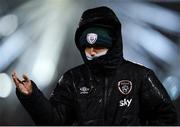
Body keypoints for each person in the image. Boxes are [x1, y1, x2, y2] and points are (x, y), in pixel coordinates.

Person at [12, 6, 177, 125]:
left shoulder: (141, 76)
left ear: (113, 43)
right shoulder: (72, 79)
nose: (91, 52)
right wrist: (32, 97)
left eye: (98, 46)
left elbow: (166, 116)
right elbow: (55, 121)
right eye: (86, 46)